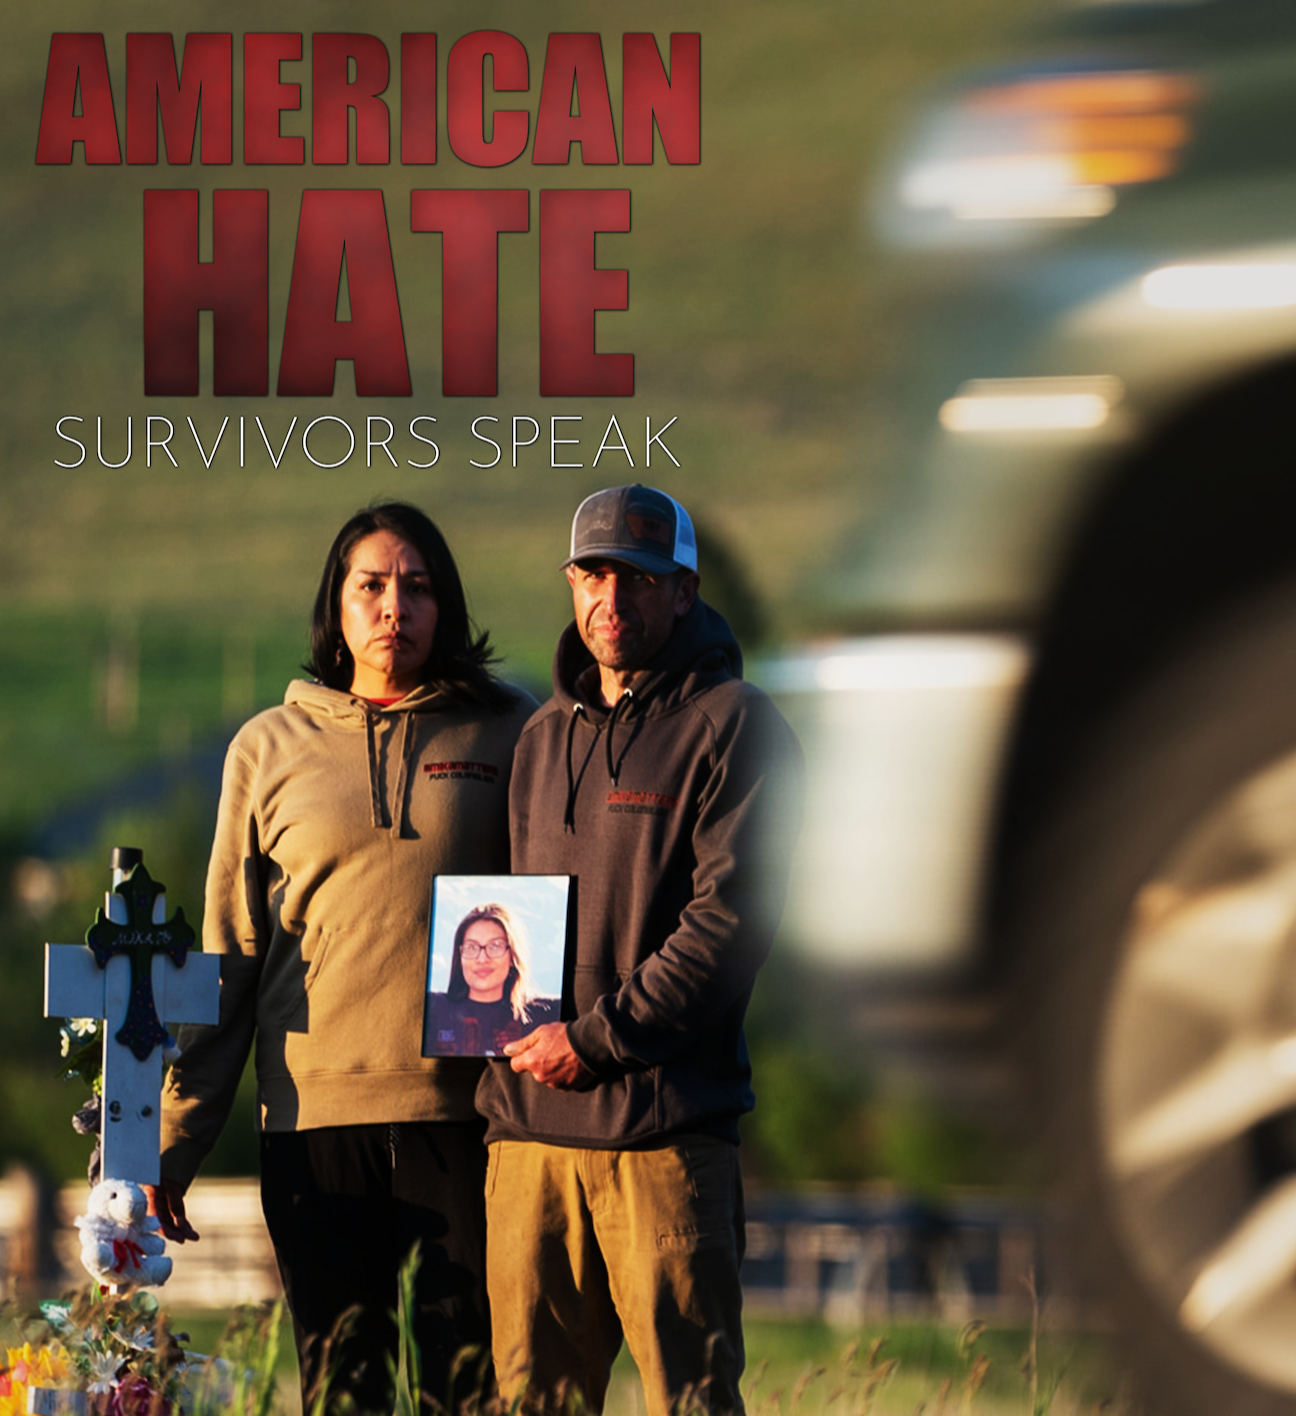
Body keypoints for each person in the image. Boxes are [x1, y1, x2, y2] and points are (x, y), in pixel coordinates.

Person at [150, 502, 536, 1415]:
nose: (393, 605)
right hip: (313, 1126)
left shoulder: (511, 731)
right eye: (371, 585)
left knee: (463, 1391)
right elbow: (229, 950)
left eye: (417, 586)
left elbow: (550, 918)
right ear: (337, 606)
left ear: (446, 606)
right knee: (342, 1390)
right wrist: (176, 1136)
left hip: (466, 1121)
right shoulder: (267, 748)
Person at [476, 484, 802, 1416]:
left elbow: (728, 926)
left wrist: (600, 1040)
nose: (610, 602)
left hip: (662, 1144)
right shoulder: (541, 736)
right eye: (592, 576)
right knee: (528, 1403)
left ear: (683, 592)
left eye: (637, 580)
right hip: (531, 1144)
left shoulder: (738, 726)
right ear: (570, 584)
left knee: (689, 1404)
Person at [423, 903, 559, 1056]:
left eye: (495, 946)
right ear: (460, 957)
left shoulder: (547, 1016)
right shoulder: (431, 1009)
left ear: (512, 956)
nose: (482, 959)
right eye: (471, 947)